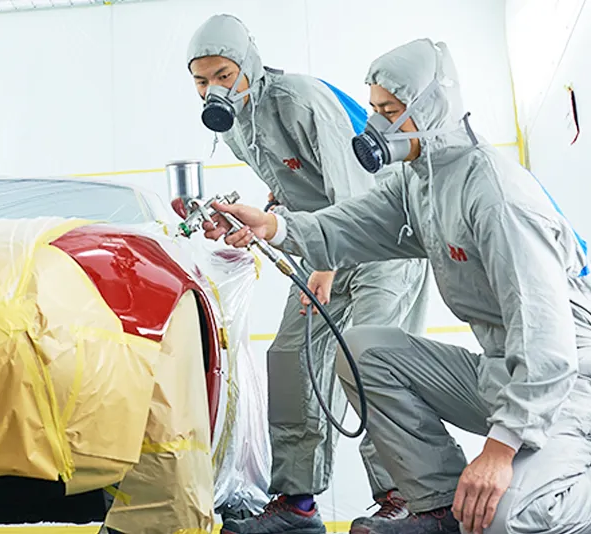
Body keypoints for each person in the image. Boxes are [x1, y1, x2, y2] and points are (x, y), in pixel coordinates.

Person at [199, 37, 591, 534]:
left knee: (509, 518)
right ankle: (438, 507)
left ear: (429, 106)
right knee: (367, 351)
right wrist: (273, 227)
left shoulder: (496, 194)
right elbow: (351, 223)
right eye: (374, 109)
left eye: (391, 110)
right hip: (501, 372)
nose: (377, 126)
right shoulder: (421, 180)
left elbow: (547, 339)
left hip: (568, 385)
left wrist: (499, 449)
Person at [180, 14, 431, 534]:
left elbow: (352, 190)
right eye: (201, 81)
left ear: (246, 64)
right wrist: (259, 219)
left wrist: (323, 267)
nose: (212, 90)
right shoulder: (238, 127)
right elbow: (295, 187)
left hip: (380, 247)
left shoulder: (299, 99)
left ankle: (406, 497)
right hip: (325, 250)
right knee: (291, 358)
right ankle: (297, 505)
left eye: (223, 75)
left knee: (368, 357)